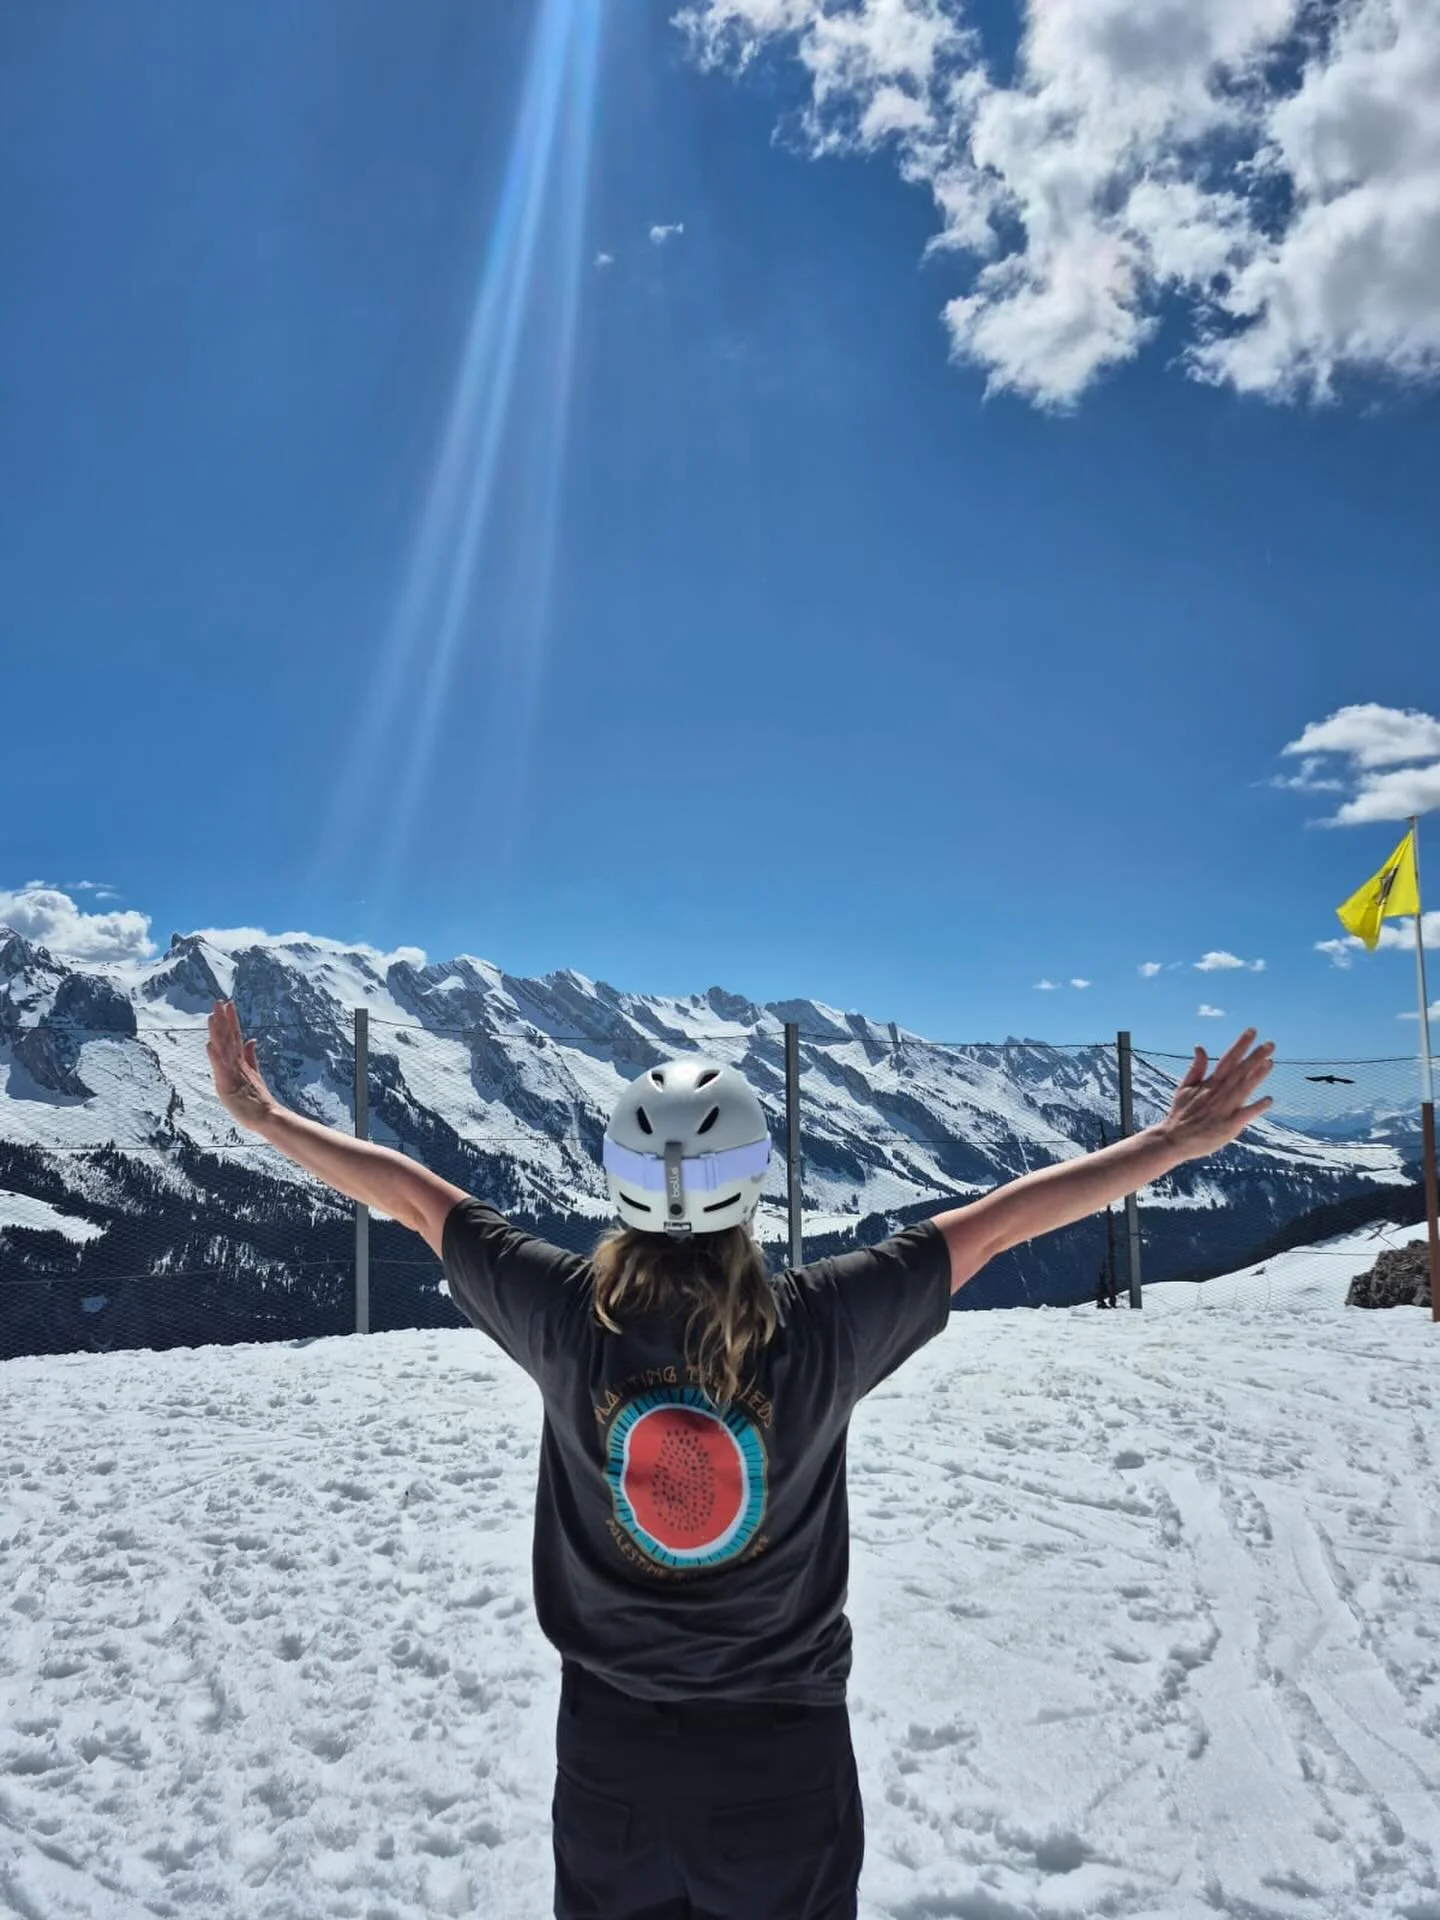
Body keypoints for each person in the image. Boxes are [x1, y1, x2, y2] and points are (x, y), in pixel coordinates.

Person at [206, 1001, 1273, 1920]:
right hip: (783, 1761)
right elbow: (995, 1228)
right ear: (753, 1185)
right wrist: (1169, 1146)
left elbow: (411, 1195)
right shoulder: (820, 1325)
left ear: (622, 1182)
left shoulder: (564, 1316)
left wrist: (265, 1118)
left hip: (609, 1758)